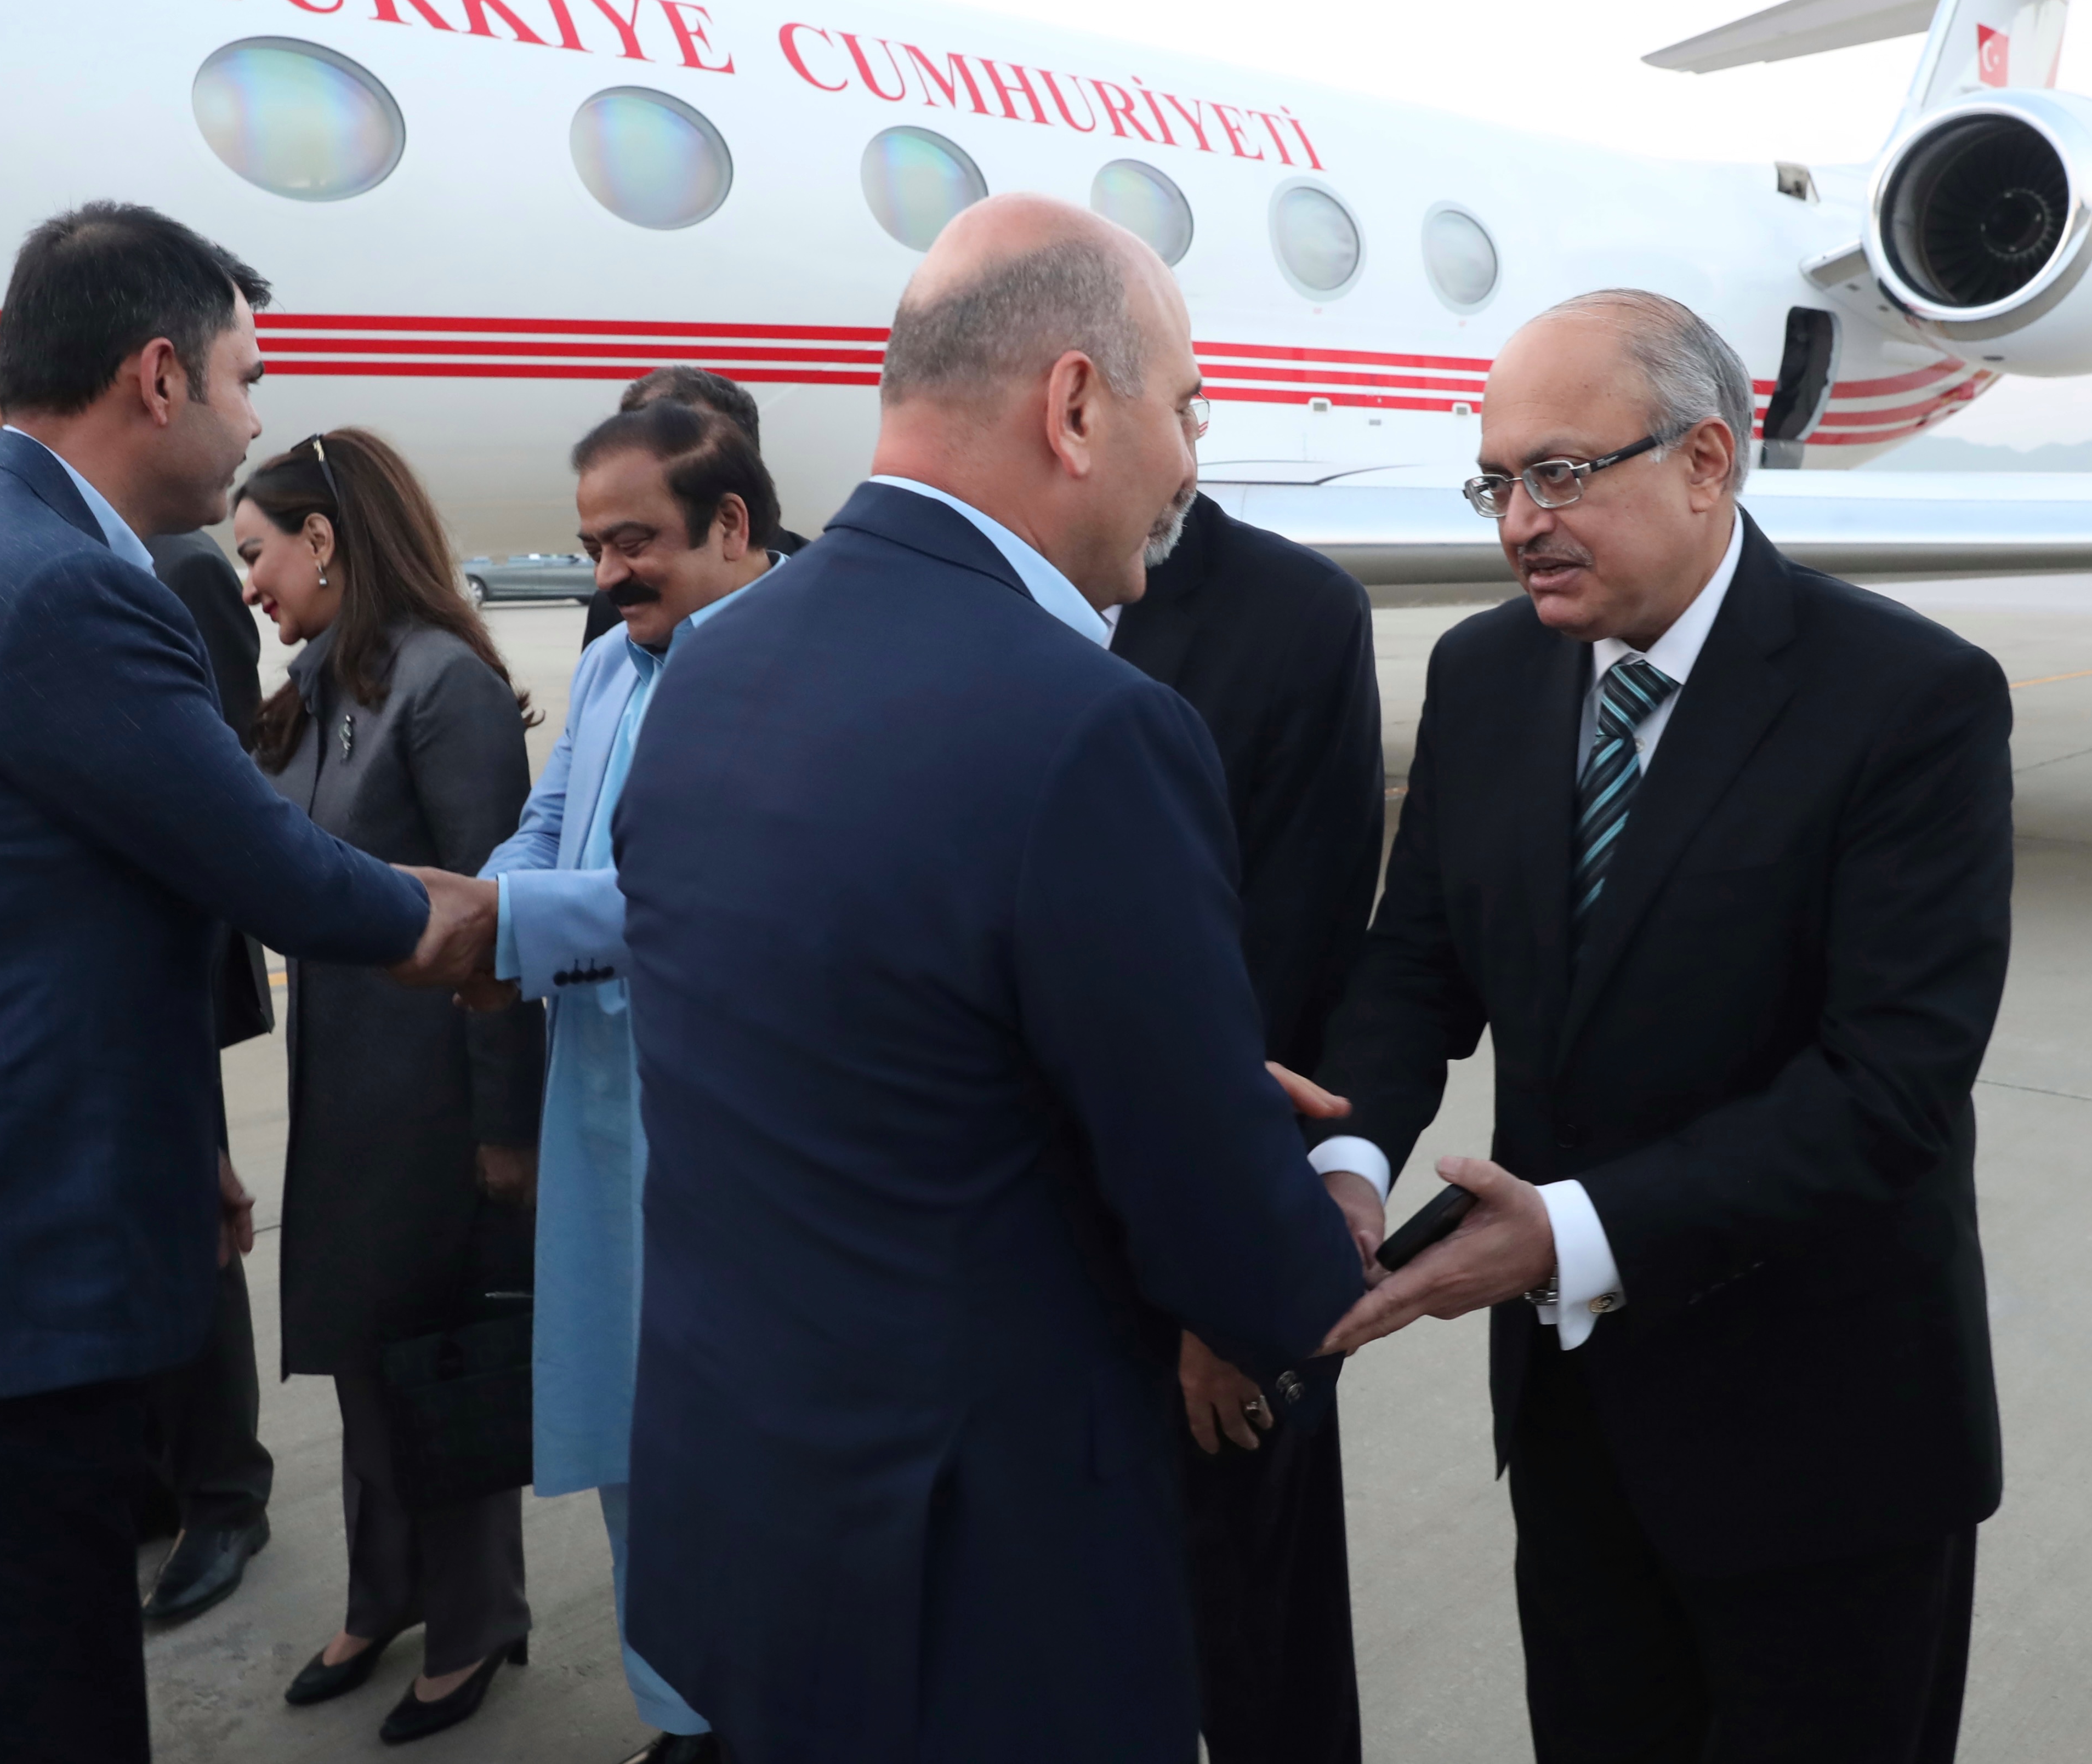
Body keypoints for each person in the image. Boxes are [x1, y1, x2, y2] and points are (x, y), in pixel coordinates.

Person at [607, 195, 1366, 1761]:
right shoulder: (1090, 726)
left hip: (753, 1534)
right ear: (1076, 405)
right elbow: (1254, 1272)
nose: (1185, 466)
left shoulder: (717, 658)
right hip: (973, 1604)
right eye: (1183, 410)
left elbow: (868, 1062)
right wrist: (1322, 1192)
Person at [0, 203, 496, 1764]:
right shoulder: (59, 590)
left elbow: (46, 927)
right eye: (244, 376)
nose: (254, 416)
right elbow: (287, 882)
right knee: (53, 1723)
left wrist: (182, 1147)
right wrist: (530, 919)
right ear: (159, 377)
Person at [1315, 290, 2010, 1764]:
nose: (1517, 522)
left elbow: (1887, 1091)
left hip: (1825, 1448)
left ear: (1705, 459)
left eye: (1558, 472)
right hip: (1574, 1434)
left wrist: (1568, 1235)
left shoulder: (1907, 700)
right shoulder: (1485, 673)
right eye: (1495, 480)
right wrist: (1352, 1161)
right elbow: (1412, 966)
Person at [473, 399, 787, 1764]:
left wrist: (484, 932)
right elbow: (550, 822)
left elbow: (702, 897)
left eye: (634, 540)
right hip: (601, 1108)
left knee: (746, 1450)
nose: (607, 572)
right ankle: (680, 1709)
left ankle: (767, 1702)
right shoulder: (612, 662)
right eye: (593, 543)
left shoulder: (792, 668)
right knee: (625, 1428)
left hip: (739, 1139)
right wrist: (479, 897)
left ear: (731, 524)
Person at [233, 429, 548, 1744]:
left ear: (325, 538)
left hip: (433, 1095)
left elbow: (500, 924)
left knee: (442, 1358)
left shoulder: (444, 687)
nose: (249, 582)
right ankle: (385, 1591)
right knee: (366, 1352)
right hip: (347, 1090)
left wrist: (503, 1132)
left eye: (258, 553)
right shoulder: (320, 685)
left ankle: (476, 1620)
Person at [0, 354, 282, 1626]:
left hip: (166, 971)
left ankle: (225, 1489)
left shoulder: (182, 566)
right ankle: (154, 1471)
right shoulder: (2, 564)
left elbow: (210, 786)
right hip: (68, 989)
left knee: (189, 1225)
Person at [1110, 488, 1383, 1764]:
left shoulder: (1294, 613)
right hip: (1022, 1277)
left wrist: (1222, 1293)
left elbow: (1295, 973)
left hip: (1214, 1268)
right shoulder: (977, 596)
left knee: (1264, 1645)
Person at [580, 367, 808, 650]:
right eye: (595, 554)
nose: (606, 577)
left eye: (632, 544)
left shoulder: (832, 602)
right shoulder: (607, 650)